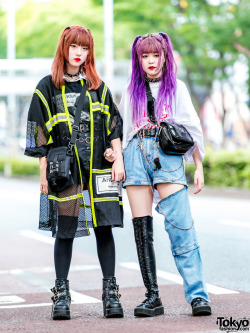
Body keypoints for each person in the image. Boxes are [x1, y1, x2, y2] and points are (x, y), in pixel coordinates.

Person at [24, 25, 125, 320]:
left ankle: (110, 293)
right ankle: (61, 294)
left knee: (104, 227)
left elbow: (114, 125)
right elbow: (37, 133)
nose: (79, 53)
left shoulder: (98, 86)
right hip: (64, 171)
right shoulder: (47, 87)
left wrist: (117, 157)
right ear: (64, 49)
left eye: (85, 48)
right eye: (74, 47)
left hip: (99, 167)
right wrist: (43, 174)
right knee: (65, 230)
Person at [118, 33, 212, 317]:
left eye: (155, 55)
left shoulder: (177, 88)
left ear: (164, 56)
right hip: (135, 155)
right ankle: (152, 297)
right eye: (144, 56)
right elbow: (121, 132)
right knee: (142, 232)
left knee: (181, 228)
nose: (150, 61)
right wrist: (116, 158)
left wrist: (198, 165)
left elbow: (190, 128)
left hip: (167, 156)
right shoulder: (130, 90)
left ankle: (197, 295)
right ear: (138, 59)